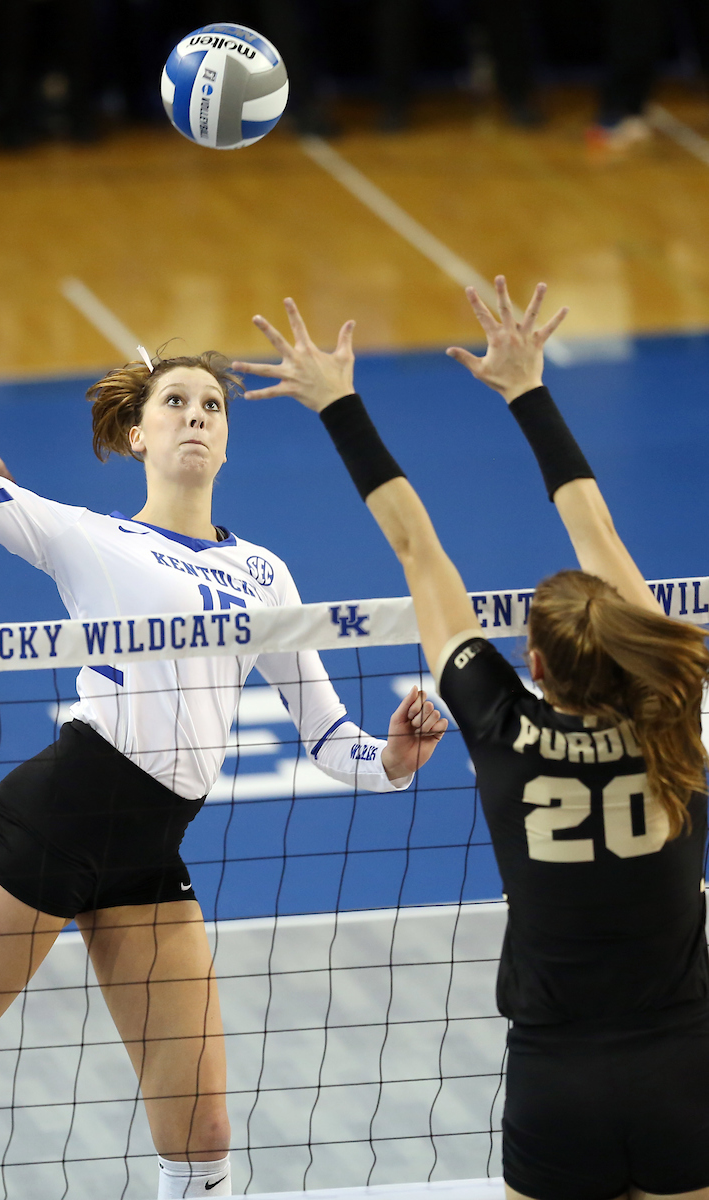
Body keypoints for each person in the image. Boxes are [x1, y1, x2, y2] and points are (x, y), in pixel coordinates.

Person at [0, 348, 447, 1199]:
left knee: (204, 1139)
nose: (196, 414)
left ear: (227, 441)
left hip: (149, 856)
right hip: (55, 825)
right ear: (138, 433)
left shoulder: (264, 574)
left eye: (212, 404)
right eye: (174, 401)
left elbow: (329, 739)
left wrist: (392, 759)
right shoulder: (89, 538)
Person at [234, 282, 709, 1200]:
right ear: (625, 643)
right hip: (684, 1070)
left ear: (531, 658)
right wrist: (529, 389)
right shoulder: (673, 709)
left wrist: (339, 402)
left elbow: (418, 549)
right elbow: (596, 527)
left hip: (555, 1080)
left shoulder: (501, 720)